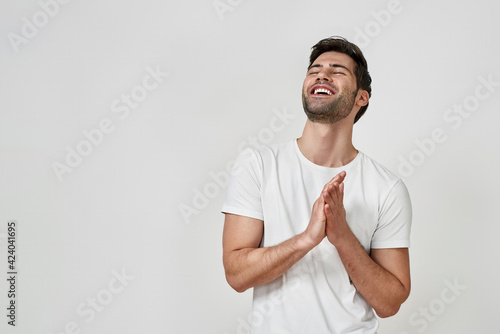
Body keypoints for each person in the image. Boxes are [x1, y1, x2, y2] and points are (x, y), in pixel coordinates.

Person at [221, 36, 412, 334]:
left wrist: (342, 236)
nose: (322, 74)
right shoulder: (258, 164)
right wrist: (306, 239)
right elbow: (236, 274)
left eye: (338, 71)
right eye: (315, 70)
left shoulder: (387, 188)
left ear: (361, 97)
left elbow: (390, 303)